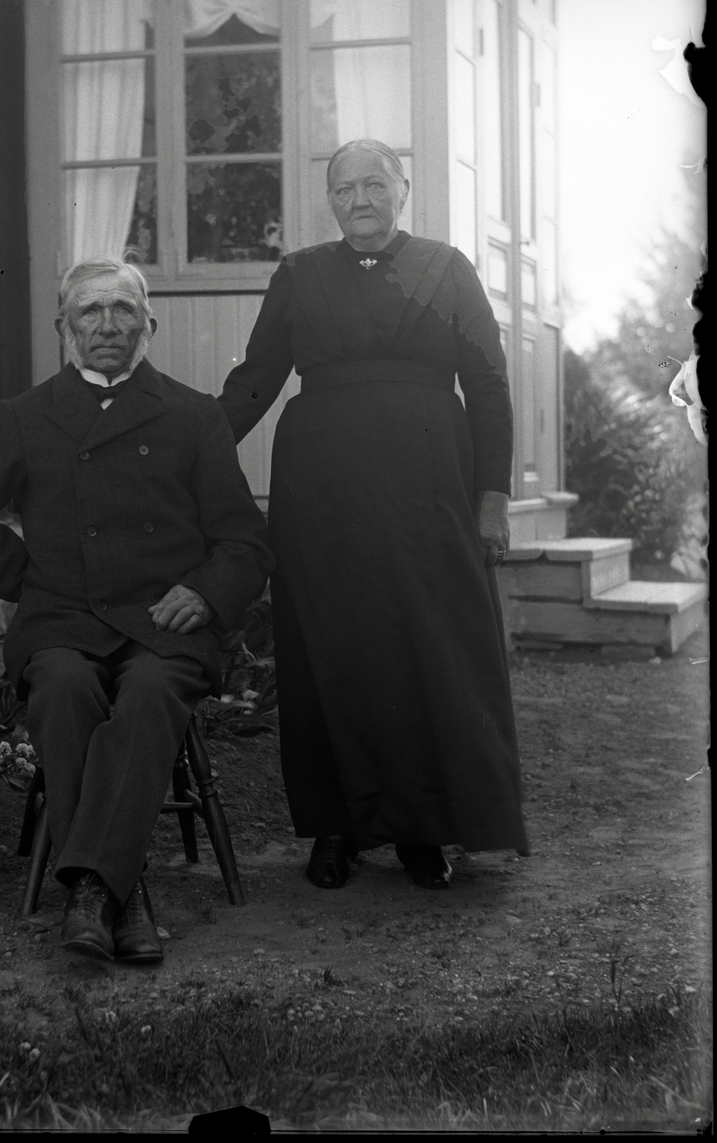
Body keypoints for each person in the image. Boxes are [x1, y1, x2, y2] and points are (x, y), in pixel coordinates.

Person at [0, 259, 273, 963]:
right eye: (90, 311)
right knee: (63, 687)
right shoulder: (25, 417)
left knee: (148, 693)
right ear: (65, 328)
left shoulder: (193, 415)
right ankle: (125, 893)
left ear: (149, 325)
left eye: (123, 310)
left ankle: (91, 892)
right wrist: (35, 581)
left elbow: (244, 540)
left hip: (164, 622)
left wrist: (204, 592)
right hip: (62, 621)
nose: (107, 325)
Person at [217, 139, 529, 892]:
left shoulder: (446, 268)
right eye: (345, 188)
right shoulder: (299, 274)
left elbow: (488, 385)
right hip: (321, 491)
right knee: (329, 646)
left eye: (375, 184)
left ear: (402, 190)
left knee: (428, 646)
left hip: (429, 486)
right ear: (330, 200)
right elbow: (256, 381)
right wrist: (184, 450)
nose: (360, 199)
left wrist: (492, 497)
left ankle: (423, 829)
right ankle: (337, 827)